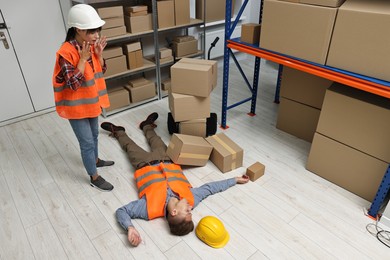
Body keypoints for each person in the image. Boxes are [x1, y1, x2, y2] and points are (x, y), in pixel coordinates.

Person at [100, 112, 249, 247]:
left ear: (174, 212)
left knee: (128, 146)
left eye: (187, 212)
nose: (191, 208)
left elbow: (122, 211)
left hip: (143, 163)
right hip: (166, 159)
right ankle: (146, 126)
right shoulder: (191, 199)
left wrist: (130, 228)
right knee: (155, 139)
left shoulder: (148, 209)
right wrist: (235, 179)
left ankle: (118, 131)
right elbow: (211, 188)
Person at [52, 4, 114, 191]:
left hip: (90, 102)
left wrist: (98, 55)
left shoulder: (88, 46)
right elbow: (73, 83)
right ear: (78, 29)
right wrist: (82, 59)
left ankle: (95, 160)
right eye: (92, 30)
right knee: (86, 142)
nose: (96, 34)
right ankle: (93, 176)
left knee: (94, 135)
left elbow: (100, 70)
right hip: (75, 107)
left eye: (98, 30)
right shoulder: (67, 52)